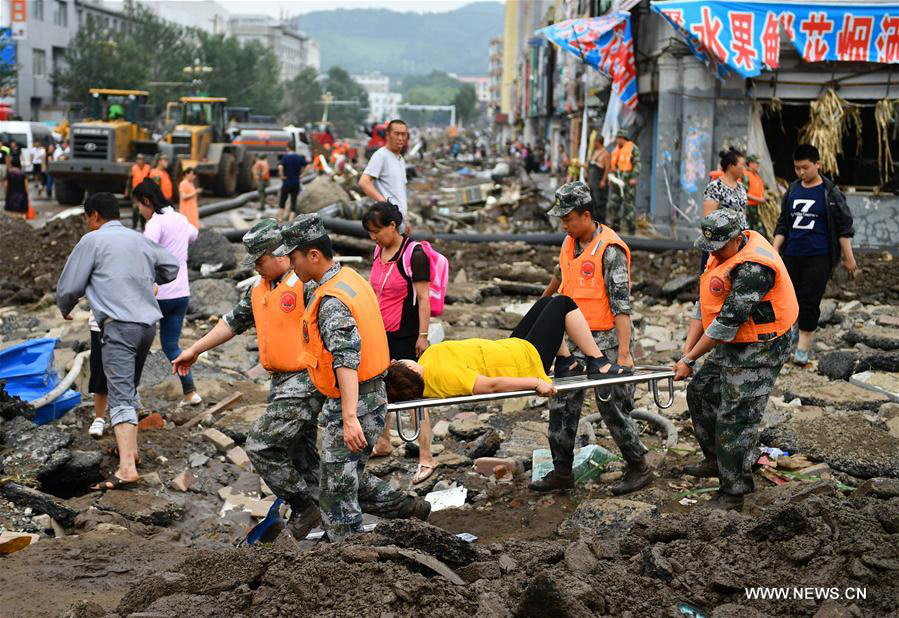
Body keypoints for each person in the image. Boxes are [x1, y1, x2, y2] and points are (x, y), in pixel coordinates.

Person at [173, 219, 427, 540]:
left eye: (262, 261)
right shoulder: (262, 288)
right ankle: (404, 508)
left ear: (284, 255)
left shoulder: (311, 285)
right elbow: (233, 322)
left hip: (312, 384)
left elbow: (345, 351)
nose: (258, 269)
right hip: (296, 385)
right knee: (328, 473)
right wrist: (194, 350)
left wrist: (349, 415)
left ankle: (327, 529)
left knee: (276, 452)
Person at [275, 214, 430, 542]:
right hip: (366, 396)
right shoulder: (348, 278)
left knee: (335, 494)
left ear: (313, 255)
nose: (291, 267)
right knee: (345, 478)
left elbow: (346, 360)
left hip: (357, 401)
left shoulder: (332, 300)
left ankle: (352, 558)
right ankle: (409, 509)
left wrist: (348, 418)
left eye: (294, 258)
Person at [675, 209, 798, 510]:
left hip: (763, 345)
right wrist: (686, 353)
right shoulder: (720, 252)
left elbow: (724, 325)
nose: (713, 253)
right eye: (710, 247)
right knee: (700, 392)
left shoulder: (754, 267)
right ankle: (718, 461)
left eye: (718, 246)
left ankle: (733, 491)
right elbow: (703, 305)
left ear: (737, 236)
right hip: (737, 336)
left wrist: (690, 359)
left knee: (735, 417)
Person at [534, 181, 651, 496]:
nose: (563, 223)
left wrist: (624, 354)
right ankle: (561, 471)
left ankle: (638, 465)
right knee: (562, 404)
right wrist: (541, 307)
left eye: (568, 217)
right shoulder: (569, 241)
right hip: (570, 340)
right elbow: (560, 277)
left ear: (586, 215)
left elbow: (621, 304)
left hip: (605, 342)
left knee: (611, 406)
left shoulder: (609, 249)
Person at [56, 192, 179, 490]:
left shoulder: (93, 241)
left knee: (120, 394)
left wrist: (65, 307)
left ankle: (126, 469)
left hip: (119, 326)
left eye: (88, 218)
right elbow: (171, 267)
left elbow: (70, 285)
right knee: (129, 387)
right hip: (147, 325)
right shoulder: (139, 239)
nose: (88, 224)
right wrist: (144, 281)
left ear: (95, 215)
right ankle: (132, 454)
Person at [385, 292, 629, 402]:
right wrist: (535, 383)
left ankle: (567, 362)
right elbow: (491, 386)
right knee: (563, 304)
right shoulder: (443, 377)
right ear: (411, 372)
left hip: (508, 349)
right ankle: (598, 361)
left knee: (545, 302)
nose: (399, 360)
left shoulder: (426, 366)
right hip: (524, 362)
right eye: (399, 364)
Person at [362, 202, 436, 483]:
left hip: (407, 334)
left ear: (392, 226)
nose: (373, 237)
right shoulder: (379, 250)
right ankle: (383, 441)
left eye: (377, 231)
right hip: (381, 333)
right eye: (370, 232)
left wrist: (423, 336)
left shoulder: (414, 255)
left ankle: (426, 456)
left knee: (414, 393)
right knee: (380, 386)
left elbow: (424, 299)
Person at [772, 144, 856, 366]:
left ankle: (803, 347)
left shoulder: (829, 192)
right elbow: (783, 223)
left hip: (819, 256)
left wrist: (849, 258)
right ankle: (789, 337)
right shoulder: (792, 190)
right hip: (792, 254)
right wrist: (774, 250)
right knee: (789, 300)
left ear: (817, 164)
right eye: (797, 168)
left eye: (805, 168)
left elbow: (844, 227)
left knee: (810, 301)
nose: (801, 172)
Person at [133, 178, 201, 408]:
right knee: (171, 346)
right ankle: (190, 393)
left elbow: (144, 253)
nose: (140, 211)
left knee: (137, 346)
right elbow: (194, 235)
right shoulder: (180, 219)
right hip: (181, 294)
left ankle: (132, 397)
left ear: (146, 201)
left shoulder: (155, 223)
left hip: (157, 295)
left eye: (139, 206)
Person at [702, 147, 749, 270]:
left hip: (739, 243)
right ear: (731, 166)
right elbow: (709, 219)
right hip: (722, 245)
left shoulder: (741, 188)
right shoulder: (715, 187)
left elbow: (742, 214)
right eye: (742, 165)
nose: (744, 169)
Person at [359, 119, 409, 225]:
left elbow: (400, 192)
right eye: (397, 134)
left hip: (400, 219)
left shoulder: (400, 159)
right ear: (387, 135)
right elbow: (364, 182)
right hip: (388, 219)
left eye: (403, 134)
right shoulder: (381, 155)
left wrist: (406, 219)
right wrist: (386, 206)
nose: (400, 138)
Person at [607, 127, 641, 235]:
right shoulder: (615, 150)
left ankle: (631, 228)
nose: (617, 140)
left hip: (627, 180)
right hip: (616, 181)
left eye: (618, 138)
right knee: (614, 203)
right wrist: (611, 178)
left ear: (623, 138)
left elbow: (637, 163)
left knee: (628, 204)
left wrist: (634, 177)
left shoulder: (633, 148)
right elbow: (613, 165)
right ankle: (615, 226)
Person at [87, 310, 109, 438]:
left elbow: (153, 289)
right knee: (99, 371)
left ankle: (132, 407)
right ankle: (99, 418)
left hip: (129, 322)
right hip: (100, 323)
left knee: (127, 370)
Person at [277, 147, 307, 224]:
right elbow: (307, 165)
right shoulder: (298, 157)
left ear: (288, 148)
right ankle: (290, 221)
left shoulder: (285, 157)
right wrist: (303, 174)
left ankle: (280, 219)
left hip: (286, 182)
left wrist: (281, 176)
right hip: (295, 182)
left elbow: (280, 167)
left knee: (282, 200)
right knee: (293, 201)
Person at [587, 136, 610, 224]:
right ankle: (595, 221)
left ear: (598, 142)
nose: (593, 144)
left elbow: (607, 168)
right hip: (592, 181)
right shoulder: (595, 152)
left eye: (594, 142)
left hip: (599, 180)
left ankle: (601, 222)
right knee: (592, 201)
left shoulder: (605, 153)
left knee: (600, 201)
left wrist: (603, 180)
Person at [743, 154, 767, 236]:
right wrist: (759, 200)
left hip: (756, 208)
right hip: (748, 209)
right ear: (750, 164)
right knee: (748, 232)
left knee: (757, 232)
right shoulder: (745, 175)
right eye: (756, 163)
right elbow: (743, 193)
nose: (758, 165)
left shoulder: (756, 176)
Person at [128, 154, 152, 230]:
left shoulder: (148, 168)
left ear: (144, 160)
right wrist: (127, 191)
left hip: (145, 192)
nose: (139, 161)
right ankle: (134, 226)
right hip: (136, 192)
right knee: (135, 210)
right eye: (138, 159)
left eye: (141, 159)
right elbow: (129, 181)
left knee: (143, 210)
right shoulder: (133, 168)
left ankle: (142, 226)